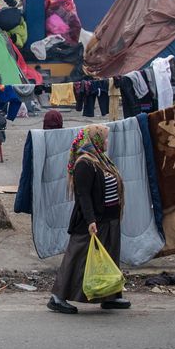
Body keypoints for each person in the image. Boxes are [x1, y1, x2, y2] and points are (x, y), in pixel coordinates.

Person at [48, 125, 130, 314]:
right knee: (78, 257)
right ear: (96, 140)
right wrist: (90, 220)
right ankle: (57, 297)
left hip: (109, 220)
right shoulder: (85, 163)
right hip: (91, 221)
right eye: (105, 138)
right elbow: (83, 195)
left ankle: (110, 296)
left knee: (109, 257)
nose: (108, 142)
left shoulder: (101, 159)